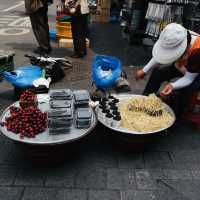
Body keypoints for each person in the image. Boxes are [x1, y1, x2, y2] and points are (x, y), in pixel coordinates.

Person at [135, 23, 200, 117]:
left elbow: (189, 78)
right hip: (182, 66)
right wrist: (145, 70)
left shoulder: (197, 51)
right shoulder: (179, 35)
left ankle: (173, 120)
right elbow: (160, 55)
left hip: (196, 74)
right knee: (158, 73)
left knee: (182, 92)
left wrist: (172, 86)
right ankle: (146, 100)